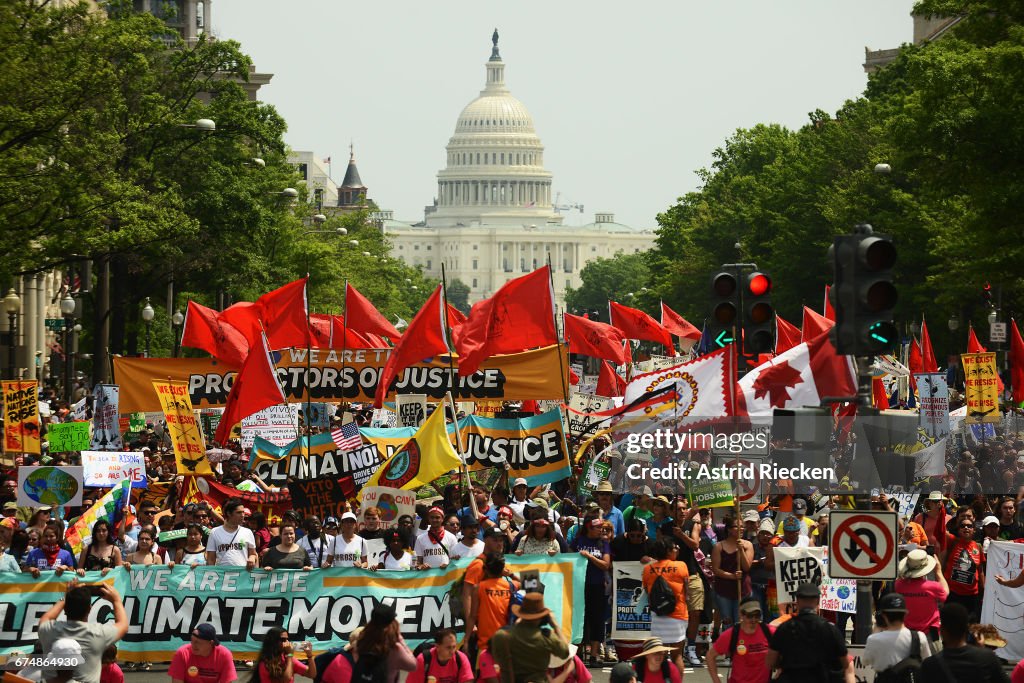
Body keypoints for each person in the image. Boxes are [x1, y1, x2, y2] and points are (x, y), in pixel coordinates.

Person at [37, 581, 129, 683]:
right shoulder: (97, 634)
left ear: (65, 609)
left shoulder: (49, 630)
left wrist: (65, 598)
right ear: (89, 609)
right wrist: (116, 600)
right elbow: (123, 625)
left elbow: (45, 618)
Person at [765, 582, 853, 683]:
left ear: (797, 601)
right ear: (818, 601)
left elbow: (770, 663)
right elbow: (845, 663)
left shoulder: (784, 628)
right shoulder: (830, 629)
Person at [320, 604, 416, 683]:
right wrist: (401, 640)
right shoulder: (395, 649)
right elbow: (413, 665)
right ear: (391, 624)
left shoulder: (361, 642)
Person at [488, 593, 569, 683]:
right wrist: (556, 625)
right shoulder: (546, 637)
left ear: (520, 613)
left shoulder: (501, 636)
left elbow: (497, 659)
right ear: (542, 617)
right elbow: (565, 653)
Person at [919, 603, 1010, 683]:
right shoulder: (987, 658)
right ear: (966, 629)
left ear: (942, 631)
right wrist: (982, 652)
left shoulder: (930, 665)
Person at [641, 539, 689, 674]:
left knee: (658, 656)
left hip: (657, 617)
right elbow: (687, 591)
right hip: (678, 615)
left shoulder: (648, 569)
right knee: (677, 656)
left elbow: (647, 592)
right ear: (667, 551)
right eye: (674, 548)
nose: (677, 550)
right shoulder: (681, 566)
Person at [860, 592, 931, 677]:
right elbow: (927, 662)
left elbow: (865, 661)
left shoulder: (874, 639)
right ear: (905, 614)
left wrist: (877, 627)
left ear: (883, 615)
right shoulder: (919, 637)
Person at [572, 517, 612, 666]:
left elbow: (606, 565)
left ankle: (594, 655)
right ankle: (577, 655)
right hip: (579, 585)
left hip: (597, 586)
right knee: (580, 619)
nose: (601, 530)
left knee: (597, 620)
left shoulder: (603, 543)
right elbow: (568, 557)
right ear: (589, 528)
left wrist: (589, 557)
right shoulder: (578, 541)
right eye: (598, 527)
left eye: (602, 527)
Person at [894, 548, 949, 643]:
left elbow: (902, 578)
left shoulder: (898, 585)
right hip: (930, 635)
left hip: (906, 635)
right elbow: (945, 593)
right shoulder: (933, 587)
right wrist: (938, 571)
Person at [470, 554, 519, 655]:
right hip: (506, 644)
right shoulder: (510, 585)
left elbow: (473, 615)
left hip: (485, 647)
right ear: (502, 569)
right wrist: (510, 574)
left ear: (486, 569)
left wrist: (466, 640)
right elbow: (531, 583)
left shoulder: (479, 588)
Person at [940, 509, 984, 620]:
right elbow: (940, 530)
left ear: (974, 530)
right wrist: (941, 508)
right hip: (953, 594)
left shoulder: (978, 547)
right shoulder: (952, 541)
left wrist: (983, 591)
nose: (966, 528)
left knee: (970, 625)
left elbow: (980, 571)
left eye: (969, 526)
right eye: (962, 526)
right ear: (958, 530)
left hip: (972, 596)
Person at [711, 515, 753, 629]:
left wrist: (741, 550)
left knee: (741, 623)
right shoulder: (719, 546)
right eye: (737, 526)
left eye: (742, 526)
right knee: (728, 623)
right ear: (729, 529)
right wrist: (732, 576)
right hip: (724, 591)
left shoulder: (748, 545)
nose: (741, 529)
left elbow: (746, 567)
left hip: (743, 590)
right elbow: (716, 569)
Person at [169, 623, 238, 683]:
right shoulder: (182, 653)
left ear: (211, 643)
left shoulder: (224, 655)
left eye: (198, 642)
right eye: (192, 640)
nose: (193, 645)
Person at [405, 629, 473, 683]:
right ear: (437, 647)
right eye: (448, 647)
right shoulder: (423, 660)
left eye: (454, 647)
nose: (452, 651)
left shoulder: (461, 658)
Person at [206, 499, 258, 569]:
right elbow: (210, 559)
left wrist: (252, 559)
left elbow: (253, 554)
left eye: (243, 512)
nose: (242, 515)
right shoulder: (214, 532)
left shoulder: (248, 532)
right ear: (229, 513)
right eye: (239, 512)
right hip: (221, 574)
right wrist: (210, 573)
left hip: (242, 574)